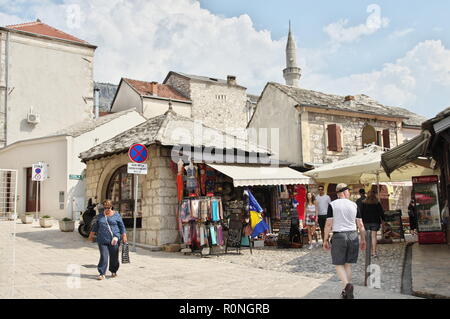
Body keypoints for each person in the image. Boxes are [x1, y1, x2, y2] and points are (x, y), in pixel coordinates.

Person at [323, 183, 366, 299]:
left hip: (339, 236)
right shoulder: (354, 205)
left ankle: (347, 286)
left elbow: (328, 224)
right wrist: (363, 239)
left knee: (338, 264)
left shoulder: (332, 205)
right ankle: (346, 291)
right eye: (348, 191)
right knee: (348, 265)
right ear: (343, 192)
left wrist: (325, 239)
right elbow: (360, 224)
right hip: (353, 235)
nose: (349, 193)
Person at [89, 199, 127, 280]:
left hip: (114, 239)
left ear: (111, 207)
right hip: (102, 239)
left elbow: (122, 226)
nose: (107, 209)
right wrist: (91, 235)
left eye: (108, 208)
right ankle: (102, 273)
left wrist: (124, 236)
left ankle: (113, 271)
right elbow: (96, 226)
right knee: (104, 256)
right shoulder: (100, 216)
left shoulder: (117, 215)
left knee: (114, 257)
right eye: (105, 208)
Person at [360, 191, 384, 257]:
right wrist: (383, 220)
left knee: (367, 237)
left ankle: (369, 251)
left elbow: (360, 213)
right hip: (375, 221)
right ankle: (374, 252)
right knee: (374, 237)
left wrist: (360, 222)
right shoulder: (377, 203)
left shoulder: (363, 203)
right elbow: (381, 213)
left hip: (366, 222)